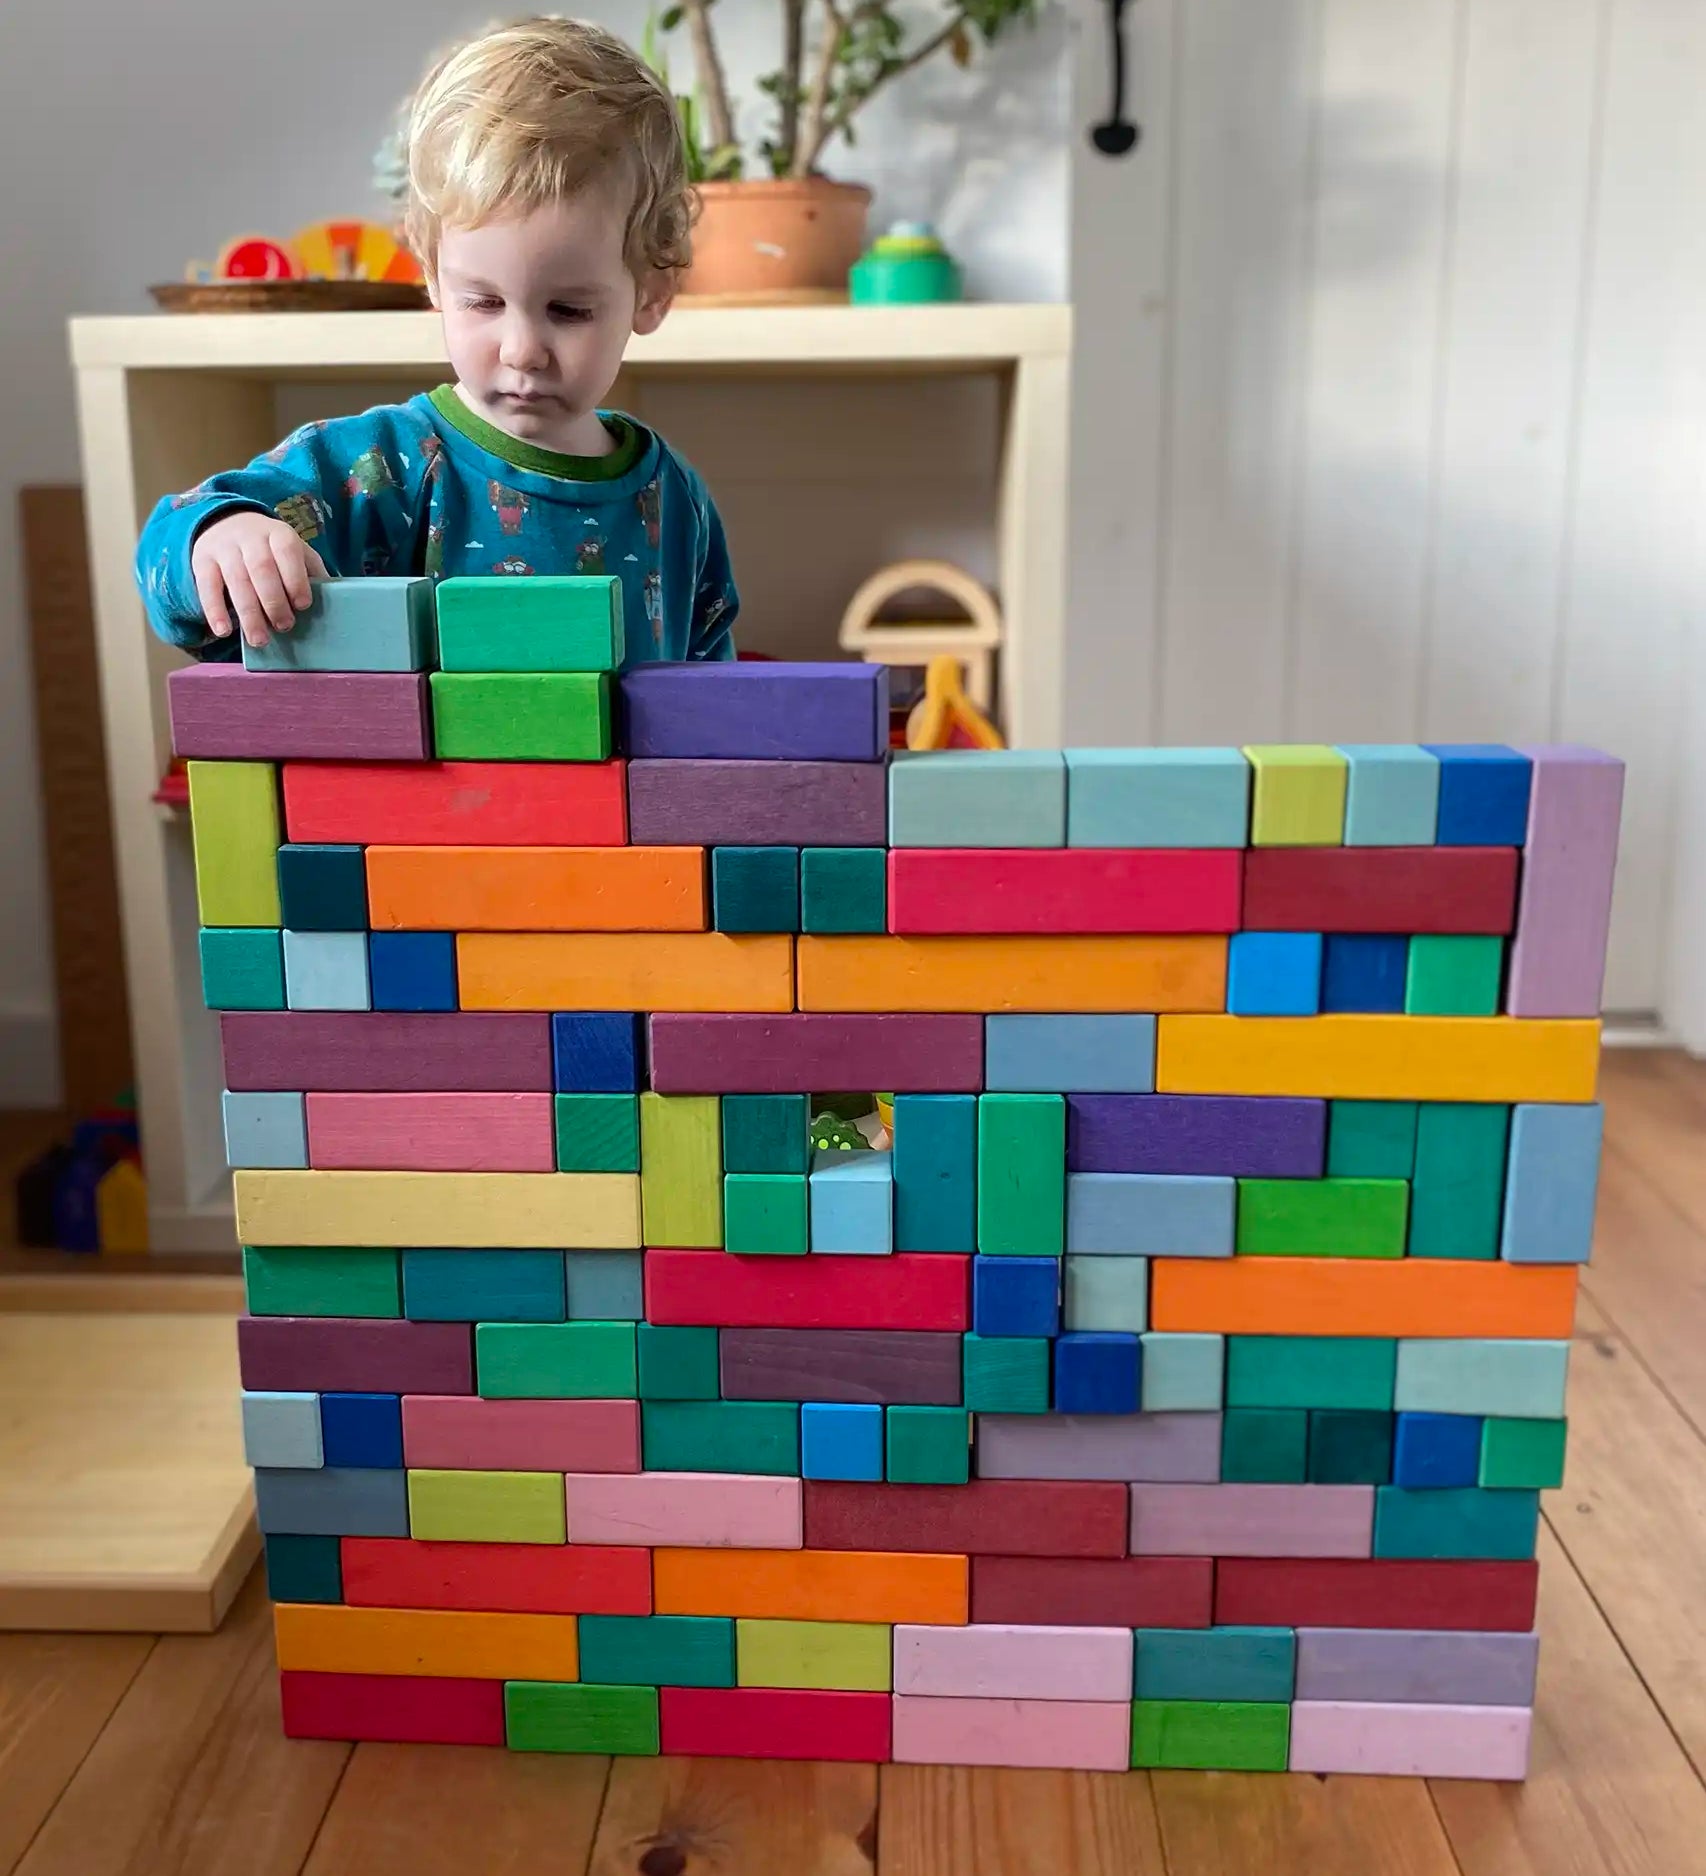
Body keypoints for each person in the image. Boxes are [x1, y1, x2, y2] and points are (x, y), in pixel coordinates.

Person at [134, 16, 737, 664]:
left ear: (651, 295)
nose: (520, 349)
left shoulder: (677, 499)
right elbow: (169, 547)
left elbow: (712, 699)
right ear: (433, 280)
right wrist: (222, 537)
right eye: (482, 302)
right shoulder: (386, 466)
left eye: (567, 309)